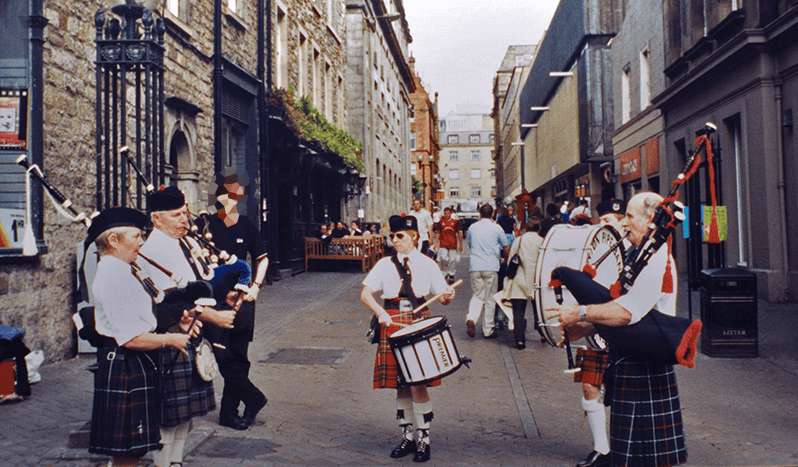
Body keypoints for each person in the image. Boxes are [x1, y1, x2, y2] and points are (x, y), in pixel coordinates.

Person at [546, 192, 687, 467]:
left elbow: (626, 313)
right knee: (630, 458)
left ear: (650, 221)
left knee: (647, 461)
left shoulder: (658, 259)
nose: (624, 224)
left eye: (630, 217)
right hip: (631, 356)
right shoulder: (639, 253)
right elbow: (619, 303)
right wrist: (584, 328)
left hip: (646, 361)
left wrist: (579, 312)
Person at [86, 207, 195, 467]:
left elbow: (141, 314)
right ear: (114, 240)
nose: (142, 242)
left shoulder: (124, 270)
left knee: (131, 450)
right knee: (127, 451)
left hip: (133, 363)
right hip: (126, 361)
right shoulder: (114, 275)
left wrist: (175, 319)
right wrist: (170, 340)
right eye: (136, 236)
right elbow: (131, 338)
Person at [137, 186, 232, 467]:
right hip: (168, 336)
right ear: (157, 219)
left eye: (184, 213)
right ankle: (162, 464)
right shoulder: (154, 249)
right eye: (177, 215)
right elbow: (171, 303)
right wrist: (213, 317)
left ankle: (175, 463)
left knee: (183, 417)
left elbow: (194, 287)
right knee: (169, 417)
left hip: (186, 334)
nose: (184, 220)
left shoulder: (177, 243)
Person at [360, 214, 455, 463]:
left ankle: (424, 439)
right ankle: (408, 436)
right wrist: (380, 312)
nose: (395, 240)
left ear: (413, 236)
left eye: (399, 236)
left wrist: (447, 296)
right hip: (391, 320)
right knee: (401, 384)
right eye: (392, 236)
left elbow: (442, 296)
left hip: (418, 320)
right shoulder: (383, 264)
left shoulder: (427, 263)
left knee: (418, 382)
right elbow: (366, 293)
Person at [198, 173, 270, 430]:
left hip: (242, 301)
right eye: (227, 194)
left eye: (236, 194)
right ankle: (254, 397)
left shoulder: (247, 225)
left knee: (239, 357)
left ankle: (229, 413)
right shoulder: (205, 225)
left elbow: (262, 258)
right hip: (214, 301)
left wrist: (256, 287)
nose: (232, 199)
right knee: (222, 354)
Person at [569, 198, 627, 467]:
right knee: (589, 384)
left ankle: (624, 449)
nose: (607, 225)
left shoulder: (637, 251)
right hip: (597, 324)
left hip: (626, 329)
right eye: (603, 221)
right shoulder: (595, 249)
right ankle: (600, 448)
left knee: (624, 392)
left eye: (610, 221)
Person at [466, 203, 510, 339]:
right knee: (490, 299)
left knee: (477, 295)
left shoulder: (472, 227)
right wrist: (504, 260)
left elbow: (469, 244)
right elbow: (506, 246)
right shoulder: (497, 228)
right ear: (492, 215)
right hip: (491, 266)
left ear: (479, 214)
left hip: (475, 266)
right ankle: (488, 330)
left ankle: (471, 318)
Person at [500, 217, 543, 349]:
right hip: (536, 280)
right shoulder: (542, 241)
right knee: (539, 310)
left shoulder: (519, 240)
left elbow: (510, 261)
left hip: (520, 279)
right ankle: (542, 333)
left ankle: (519, 340)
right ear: (538, 228)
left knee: (518, 312)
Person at [436, 206, 462, 285]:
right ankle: (444, 272)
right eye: (445, 213)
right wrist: (435, 243)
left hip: (452, 243)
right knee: (443, 258)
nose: (446, 215)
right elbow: (438, 233)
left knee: (452, 260)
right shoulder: (441, 222)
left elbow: (459, 233)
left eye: (448, 213)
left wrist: (460, 244)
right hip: (443, 243)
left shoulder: (455, 222)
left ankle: (451, 274)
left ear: (451, 214)